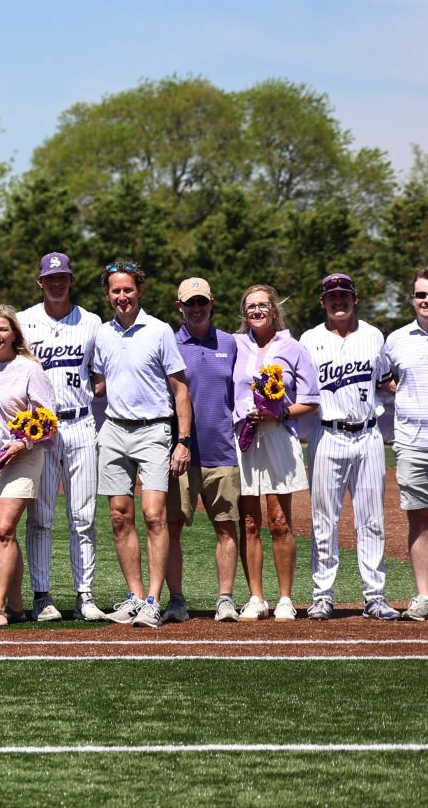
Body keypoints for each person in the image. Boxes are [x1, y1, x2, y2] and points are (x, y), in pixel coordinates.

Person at [90, 260, 193, 629]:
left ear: (140, 290)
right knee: (120, 517)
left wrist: (182, 440)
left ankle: (153, 601)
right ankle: (134, 597)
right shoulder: (102, 334)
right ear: (107, 295)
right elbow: (99, 385)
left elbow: (180, 390)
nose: (122, 296)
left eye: (128, 289)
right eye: (116, 290)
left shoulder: (160, 331)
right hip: (114, 430)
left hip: (153, 431)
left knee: (153, 516)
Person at [299, 272, 392, 619]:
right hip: (328, 434)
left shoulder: (373, 335)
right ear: (322, 302)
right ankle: (322, 595)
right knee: (324, 521)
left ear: (355, 299)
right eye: (332, 296)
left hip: (368, 435)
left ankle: (375, 596)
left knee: (372, 520)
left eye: (344, 295)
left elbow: (385, 381)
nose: (339, 301)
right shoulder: (309, 339)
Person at [17, 253, 102, 621]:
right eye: (50, 278)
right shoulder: (23, 321)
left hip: (81, 423)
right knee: (41, 517)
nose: (56, 283)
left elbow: (100, 377)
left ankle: (84, 595)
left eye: (62, 277)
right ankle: (42, 595)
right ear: (40, 281)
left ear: (71, 280)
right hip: (41, 429)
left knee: (84, 516)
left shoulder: (91, 322)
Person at [379, 266, 428, 622]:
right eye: (420, 295)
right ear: (412, 299)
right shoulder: (396, 340)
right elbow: (383, 378)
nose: (427, 300)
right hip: (413, 446)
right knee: (420, 522)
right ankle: (424, 597)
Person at [233, 284, 319, 621]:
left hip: (279, 436)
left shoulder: (293, 348)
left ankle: (285, 598)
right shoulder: (234, 344)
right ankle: (256, 597)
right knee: (249, 522)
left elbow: (311, 401)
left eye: (262, 305)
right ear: (244, 312)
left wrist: (279, 412)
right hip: (243, 437)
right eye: (250, 306)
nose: (256, 311)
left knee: (279, 521)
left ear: (274, 309)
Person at [0, 306, 58, 626]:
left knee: (4, 529)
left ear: (14, 334)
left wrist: (23, 443)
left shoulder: (30, 369)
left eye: (2, 329)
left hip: (20, 458)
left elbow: (48, 418)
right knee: (1, 534)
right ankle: (18, 607)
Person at [164, 279, 241, 623]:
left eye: (201, 302)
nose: (196, 309)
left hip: (222, 452)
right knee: (171, 528)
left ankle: (225, 599)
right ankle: (176, 600)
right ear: (179, 306)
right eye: (189, 303)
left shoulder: (230, 343)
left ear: (212, 303)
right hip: (179, 455)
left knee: (226, 528)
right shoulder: (169, 343)